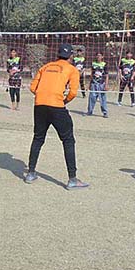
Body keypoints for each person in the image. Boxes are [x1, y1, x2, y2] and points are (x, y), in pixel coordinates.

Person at [25, 43, 89, 189]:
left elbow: (32, 87)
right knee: (68, 140)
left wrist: (44, 96)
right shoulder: (72, 70)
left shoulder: (45, 67)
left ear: (57, 54)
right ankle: (72, 179)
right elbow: (73, 93)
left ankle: (30, 173)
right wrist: (62, 100)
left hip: (39, 105)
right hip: (57, 107)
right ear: (71, 56)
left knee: (38, 138)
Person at [86, 52, 109, 117]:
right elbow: (91, 74)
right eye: (97, 56)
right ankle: (90, 111)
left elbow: (107, 75)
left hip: (101, 84)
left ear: (102, 57)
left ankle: (105, 112)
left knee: (102, 98)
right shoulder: (93, 64)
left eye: (100, 56)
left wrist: (106, 85)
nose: (98, 57)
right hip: (94, 83)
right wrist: (90, 84)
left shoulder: (104, 64)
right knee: (92, 97)